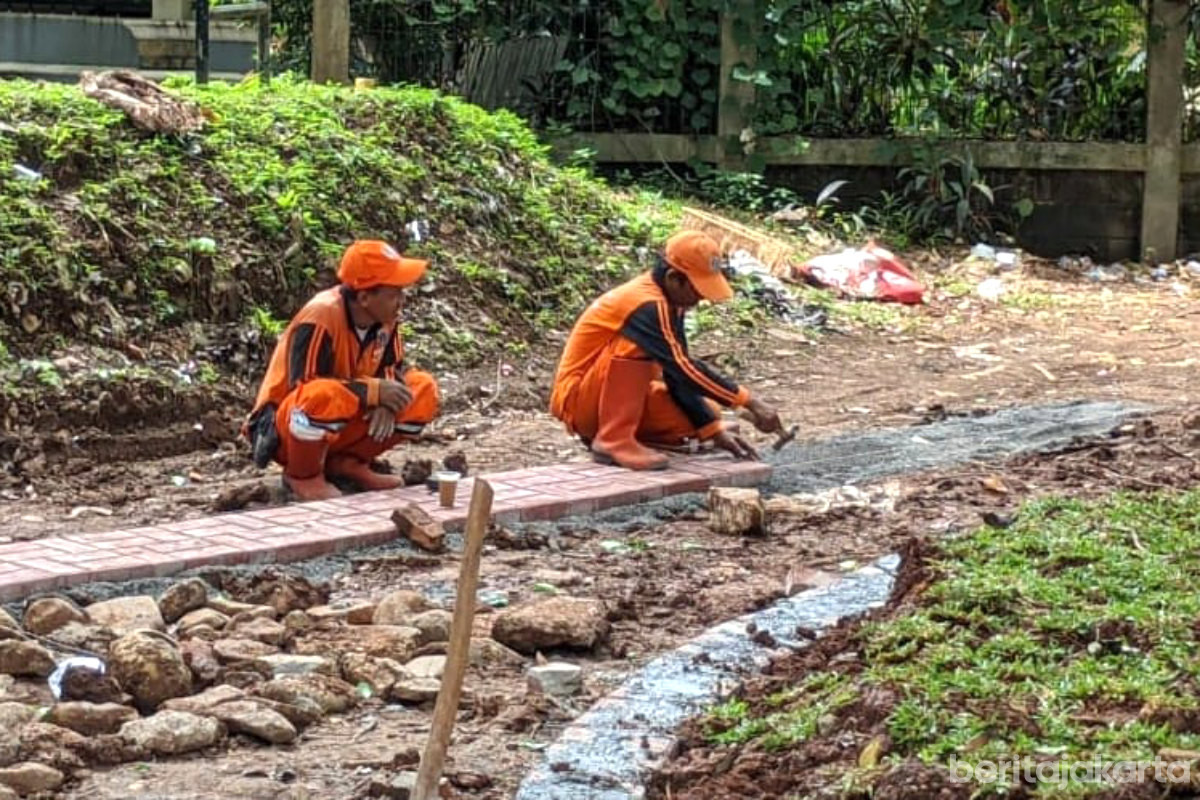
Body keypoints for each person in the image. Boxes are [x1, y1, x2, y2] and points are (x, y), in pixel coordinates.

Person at [550, 230, 783, 471]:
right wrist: (750, 402)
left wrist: (712, 430)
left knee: (708, 413)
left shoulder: (672, 304)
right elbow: (683, 368)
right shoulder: (646, 305)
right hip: (578, 401)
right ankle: (613, 439)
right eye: (697, 290)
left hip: (607, 397)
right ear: (674, 278)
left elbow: (675, 373)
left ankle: (627, 436)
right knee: (634, 347)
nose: (700, 299)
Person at [243, 240, 440, 500]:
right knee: (320, 396)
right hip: (286, 429)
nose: (401, 301)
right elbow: (302, 388)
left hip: (344, 422)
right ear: (364, 297)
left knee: (422, 390)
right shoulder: (320, 315)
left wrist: (387, 402)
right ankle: (303, 475)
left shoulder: (386, 321)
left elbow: (391, 368)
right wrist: (372, 392)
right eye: (394, 294)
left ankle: (348, 463)